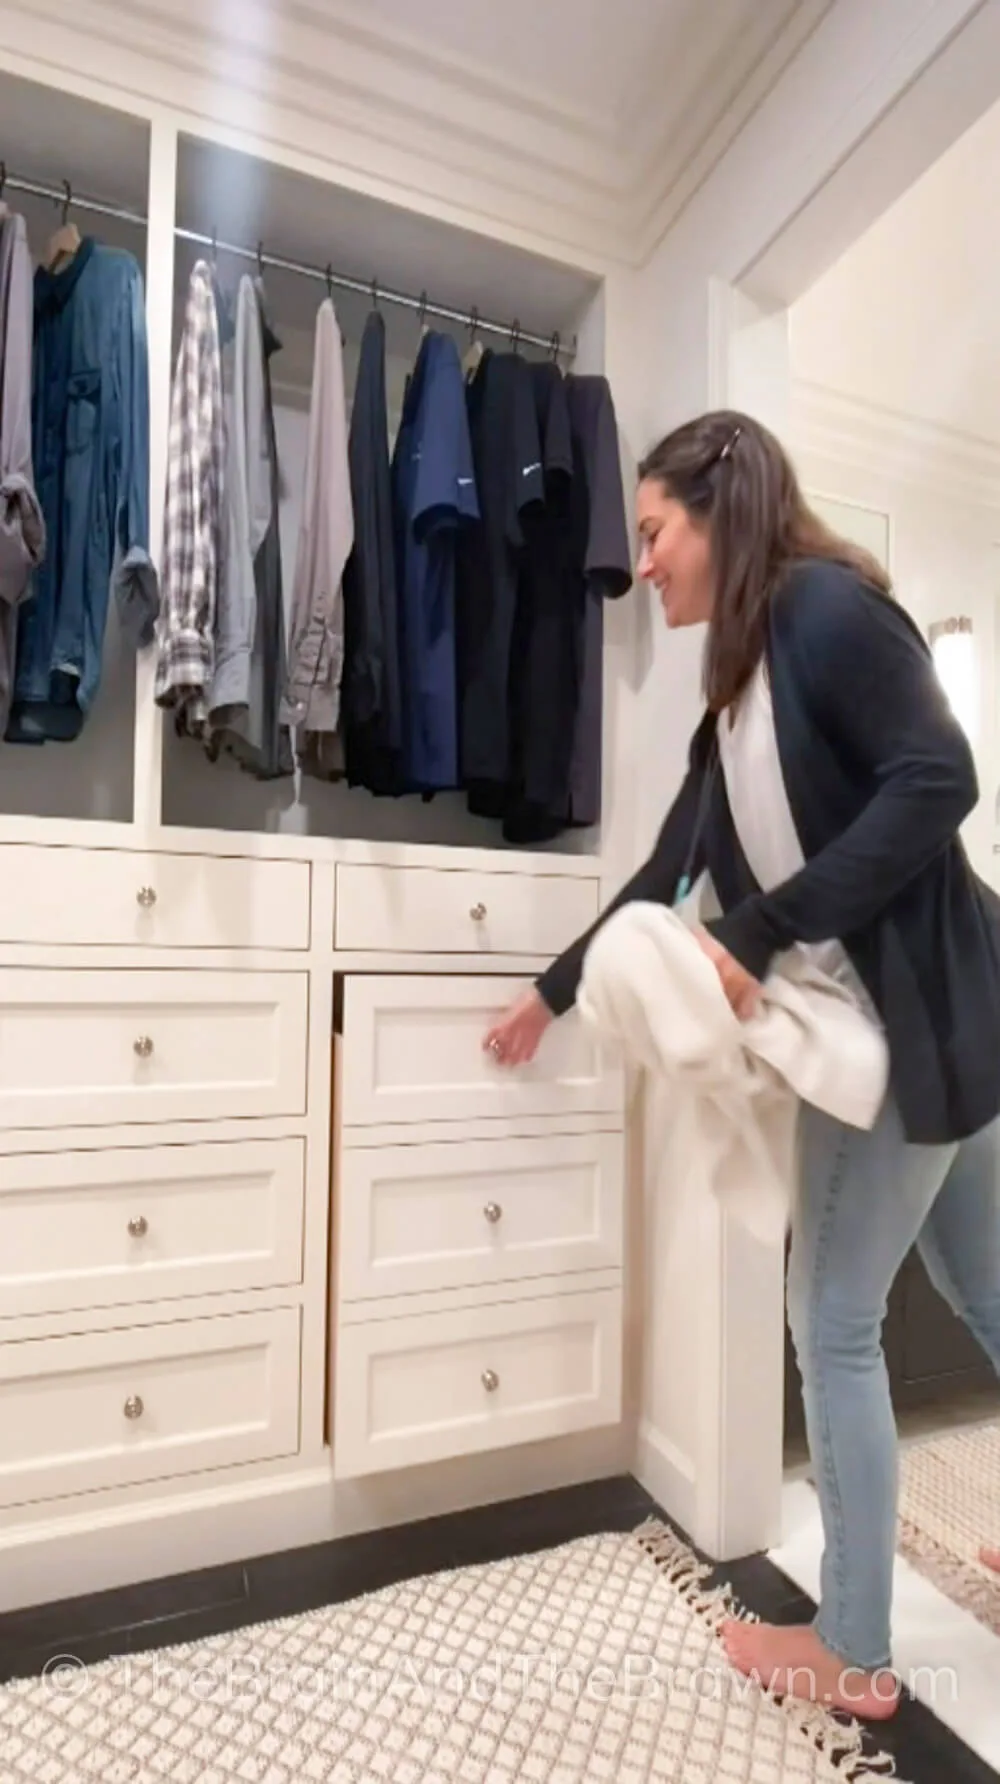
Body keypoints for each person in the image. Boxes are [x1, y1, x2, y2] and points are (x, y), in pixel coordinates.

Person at [483, 409, 1000, 1721]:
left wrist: (764, 933)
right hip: (955, 1025)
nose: (641, 562)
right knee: (989, 1299)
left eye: (653, 532)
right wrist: (553, 995)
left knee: (830, 1326)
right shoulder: (734, 716)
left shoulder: (825, 613)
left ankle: (856, 1652)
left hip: (906, 1039)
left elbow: (943, 776)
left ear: (721, 508)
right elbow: (666, 880)